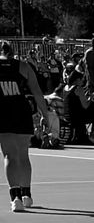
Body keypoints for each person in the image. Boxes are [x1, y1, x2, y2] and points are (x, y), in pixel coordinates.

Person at [1, 43, 53, 211]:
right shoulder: (23, 66)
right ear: (13, 52)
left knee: (9, 155)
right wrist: (45, 115)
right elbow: (37, 92)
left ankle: (15, 197)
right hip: (21, 112)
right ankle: (27, 195)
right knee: (23, 155)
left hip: (3, 113)